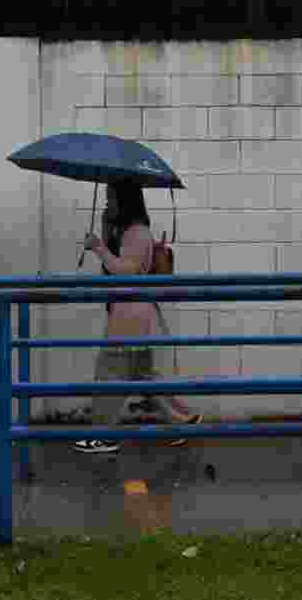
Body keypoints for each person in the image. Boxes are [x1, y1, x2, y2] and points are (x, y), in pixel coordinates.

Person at [73, 182, 201, 454]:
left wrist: (98, 247)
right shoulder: (129, 231)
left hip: (129, 317)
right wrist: (106, 232)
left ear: (125, 200)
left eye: (112, 198)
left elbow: (126, 271)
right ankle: (183, 421)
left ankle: (103, 435)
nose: (109, 204)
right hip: (136, 315)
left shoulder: (136, 232)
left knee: (110, 374)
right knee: (147, 376)